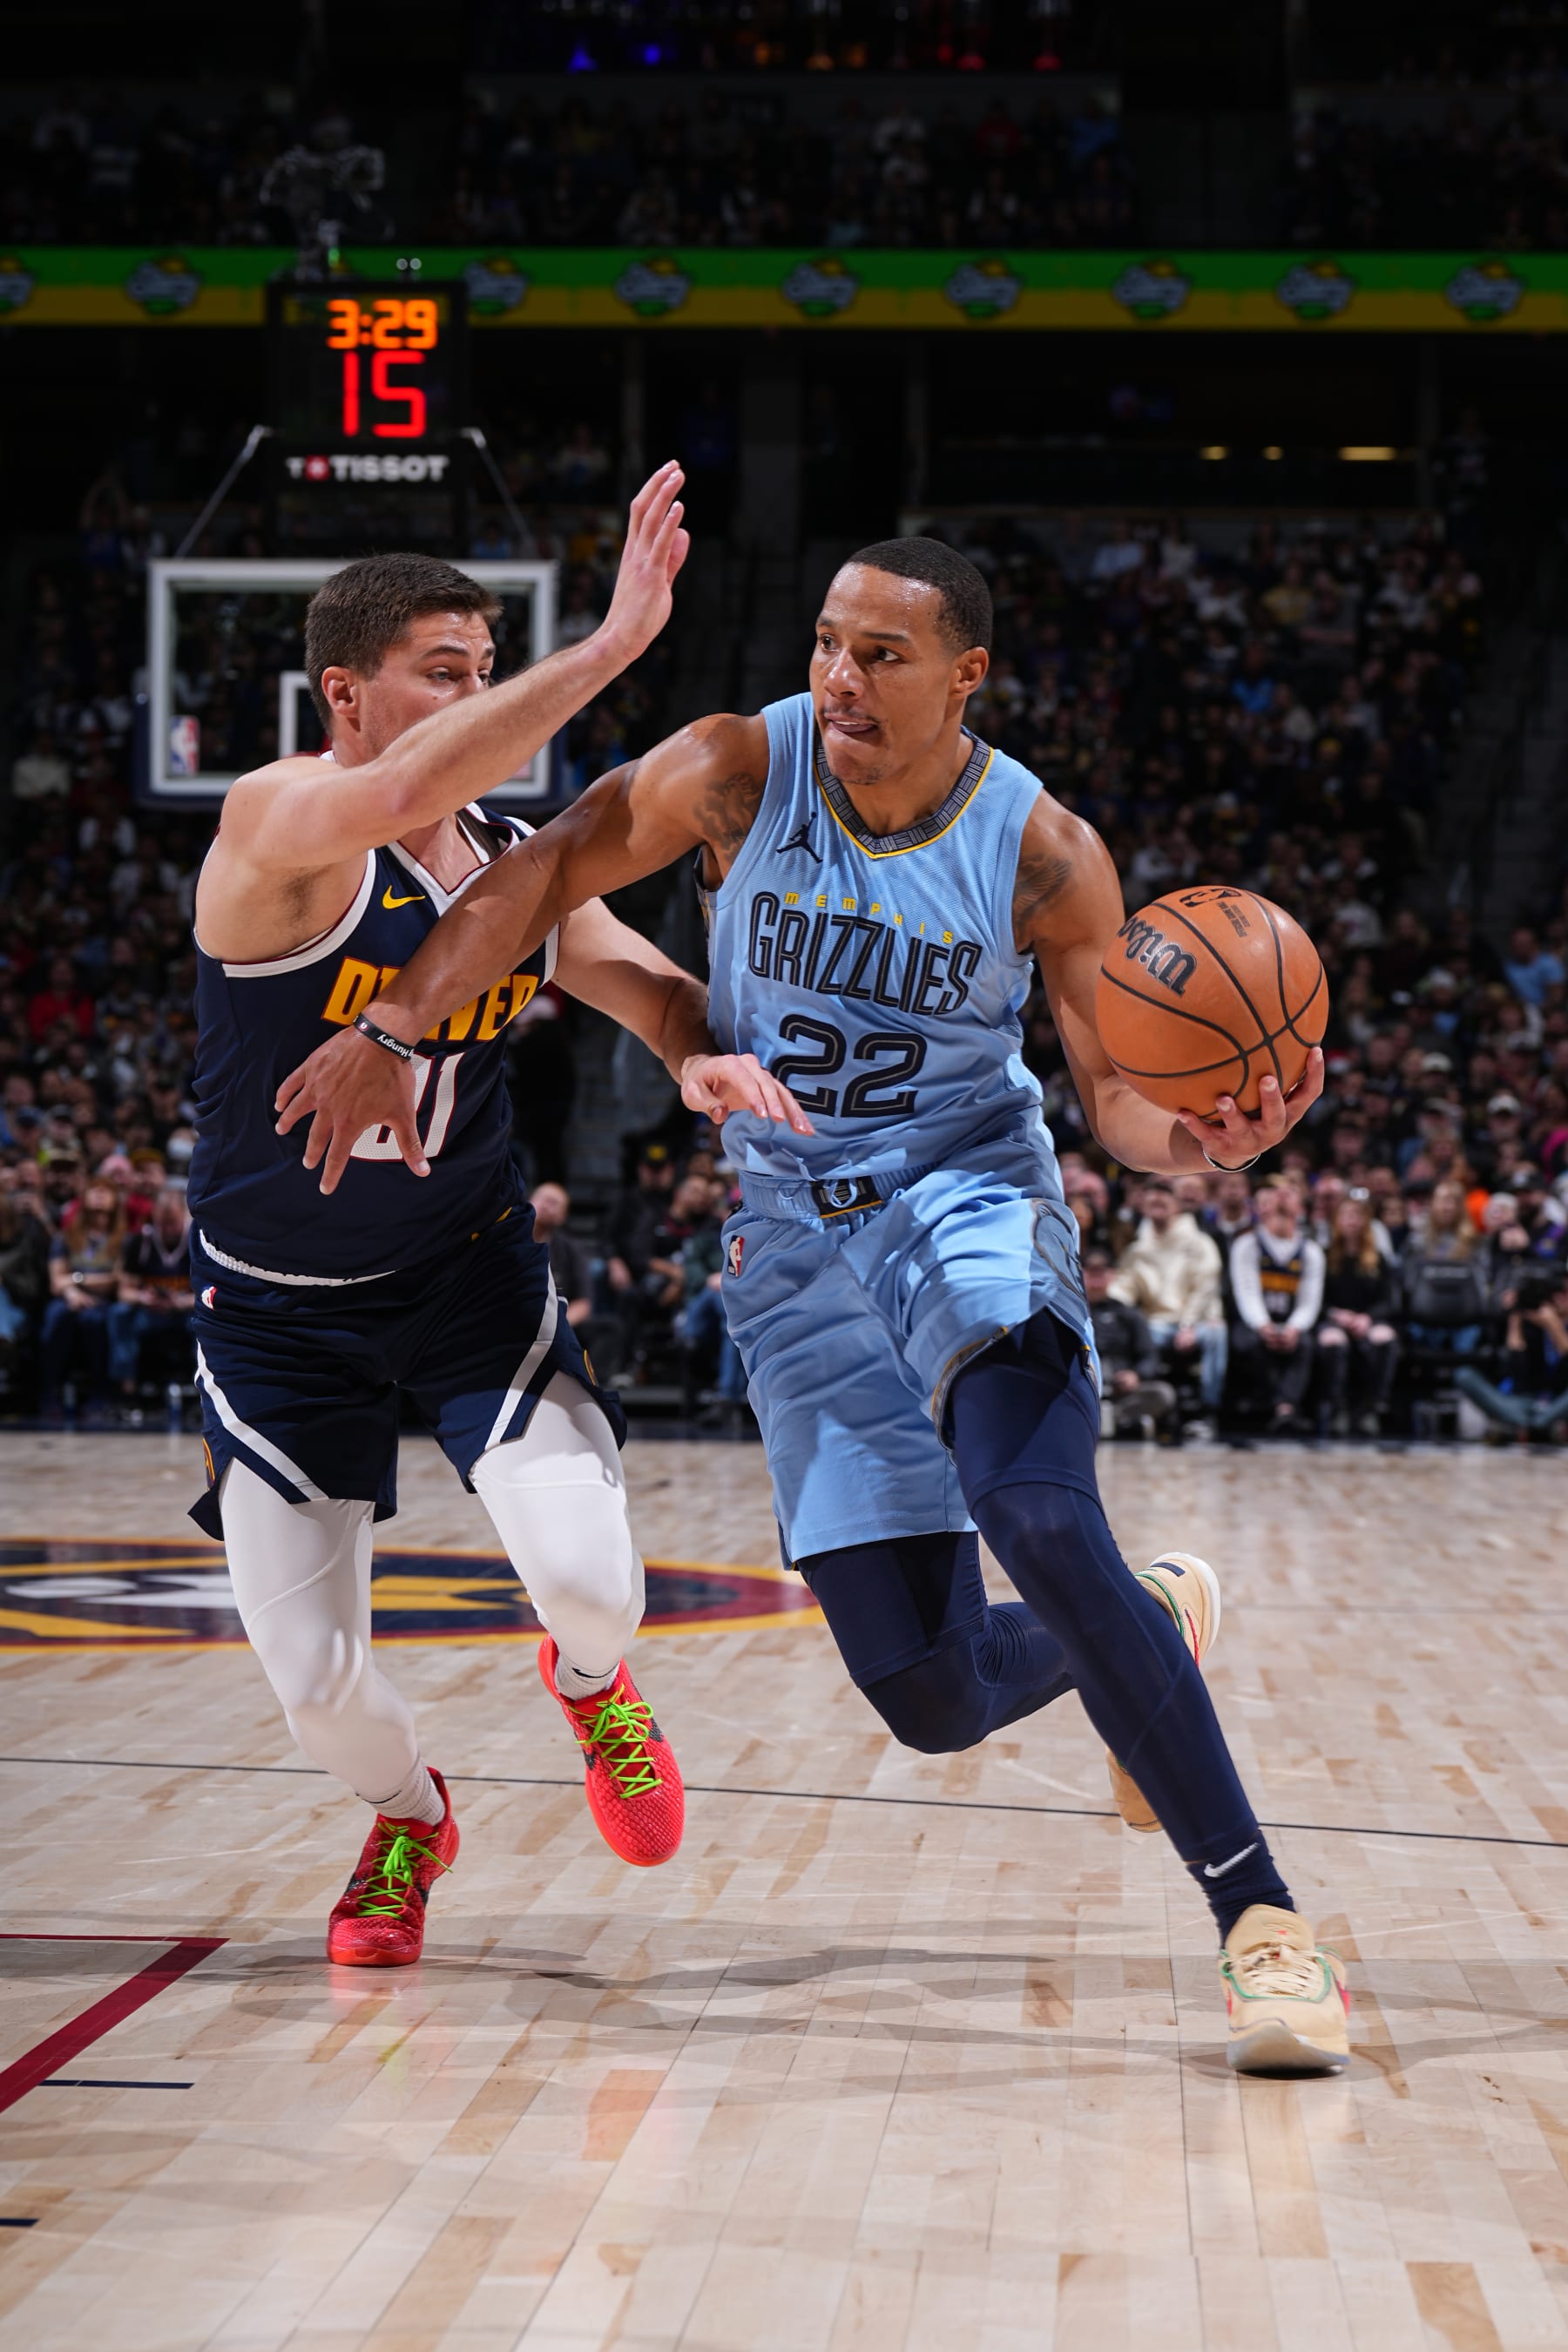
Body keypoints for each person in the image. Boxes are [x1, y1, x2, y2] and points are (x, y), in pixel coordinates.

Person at [276, 534, 1348, 2074]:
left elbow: (1113, 1090)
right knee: (928, 1696)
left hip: (966, 1208)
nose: (839, 675)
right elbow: (546, 874)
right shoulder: (733, 769)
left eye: (882, 654)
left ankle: (1264, 1927)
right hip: (789, 1243)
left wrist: (1198, 1140)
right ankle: (1154, 1624)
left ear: (966, 676)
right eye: (828, 641)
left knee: (1038, 1522)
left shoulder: (1045, 851)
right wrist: (400, 1021)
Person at [184, 466, 813, 1970]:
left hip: (467, 1278)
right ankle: (410, 1816)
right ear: (346, 692)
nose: (486, 699)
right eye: (448, 674)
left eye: (491, 668)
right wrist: (607, 648)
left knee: (597, 1590)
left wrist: (691, 1047)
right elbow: (397, 793)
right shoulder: (277, 818)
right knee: (319, 1692)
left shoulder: (500, 863)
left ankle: (590, 1688)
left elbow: (642, 982)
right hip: (273, 1310)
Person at [1107, 1173, 1227, 1432]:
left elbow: (1205, 1288)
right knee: (1122, 1327)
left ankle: (1209, 1410)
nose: (1157, 1197)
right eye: (1151, 1194)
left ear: (1178, 1204)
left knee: (1217, 1333)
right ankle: (1133, 1402)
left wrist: (1188, 1325)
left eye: (1164, 1193)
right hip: (1156, 1324)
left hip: (1196, 1322)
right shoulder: (1138, 1249)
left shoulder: (1199, 1243)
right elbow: (1124, 1289)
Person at [1227, 1179, 1324, 1434]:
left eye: (1289, 1195)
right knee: (1249, 1343)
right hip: (1256, 1320)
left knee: (1304, 1344)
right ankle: (1271, 1408)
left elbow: (1309, 1301)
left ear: (1301, 1210)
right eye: (1275, 1197)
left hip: (1290, 1319)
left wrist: (1294, 1327)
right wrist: (1263, 1325)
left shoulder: (1311, 1251)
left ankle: (1285, 1408)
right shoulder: (1247, 1244)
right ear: (1263, 1209)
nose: (1282, 1198)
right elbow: (1246, 1291)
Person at [1315, 1190, 1398, 1436]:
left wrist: (1367, 1318)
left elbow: (1390, 1300)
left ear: (1366, 1221)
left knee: (1384, 1338)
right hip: (1333, 1318)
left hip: (1368, 1318)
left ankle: (1371, 1408)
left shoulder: (1378, 1259)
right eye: (1346, 1215)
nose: (1351, 1220)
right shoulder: (1325, 1256)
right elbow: (1315, 1300)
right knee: (1333, 1341)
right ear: (1337, 1221)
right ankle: (1337, 1408)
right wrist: (1337, 1315)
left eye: (1356, 1215)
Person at [41, 1176, 124, 1421]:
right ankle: (48, 1392)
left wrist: (76, 1280)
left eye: (105, 1190)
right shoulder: (66, 1236)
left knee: (95, 1321)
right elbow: (56, 1281)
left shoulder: (122, 1238)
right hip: (69, 1299)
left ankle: (100, 1394)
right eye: (94, 1190)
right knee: (56, 1316)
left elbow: (115, 1280)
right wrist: (72, 1291)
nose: (99, 1194)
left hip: (105, 1300)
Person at [1454, 1267, 1568, 1439]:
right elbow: (1518, 1371)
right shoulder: (1530, 1321)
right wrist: (1515, 1318)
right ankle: (1539, 1425)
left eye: (1567, 1293)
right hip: (1523, 1400)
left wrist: (1554, 1327)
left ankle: (1526, 1425)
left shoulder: (1552, 1322)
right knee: (1464, 1375)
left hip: (1557, 1401)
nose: (1562, 1299)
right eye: (1558, 1293)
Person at [110, 1183, 195, 1403]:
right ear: (154, 1216)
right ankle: (125, 1390)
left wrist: (183, 1301)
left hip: (187, 1312)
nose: (167, 1229)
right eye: (162, 1223)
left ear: (185, 1217)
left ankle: (204, 1392)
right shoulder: (140, 1241)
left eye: (173, 1223)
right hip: (150, 1312)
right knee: (119, 1314)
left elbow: (212, 1291)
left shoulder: (198, 1240)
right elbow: (124, 1292)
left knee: (208, 1321)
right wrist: (143, 1298)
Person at [1083, 1246, 1176, 1438]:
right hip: (1082, 1387)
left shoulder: (1128, 1315)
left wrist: (1136, 1375)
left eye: (1102, 1272)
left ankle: (1112, 1420)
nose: (1096, 1278)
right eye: (1091, 1271)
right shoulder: (1071, 1313)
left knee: (1162, 1393)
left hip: (1120, 1392)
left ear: (1112, 1275)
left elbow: (1149, 1355)